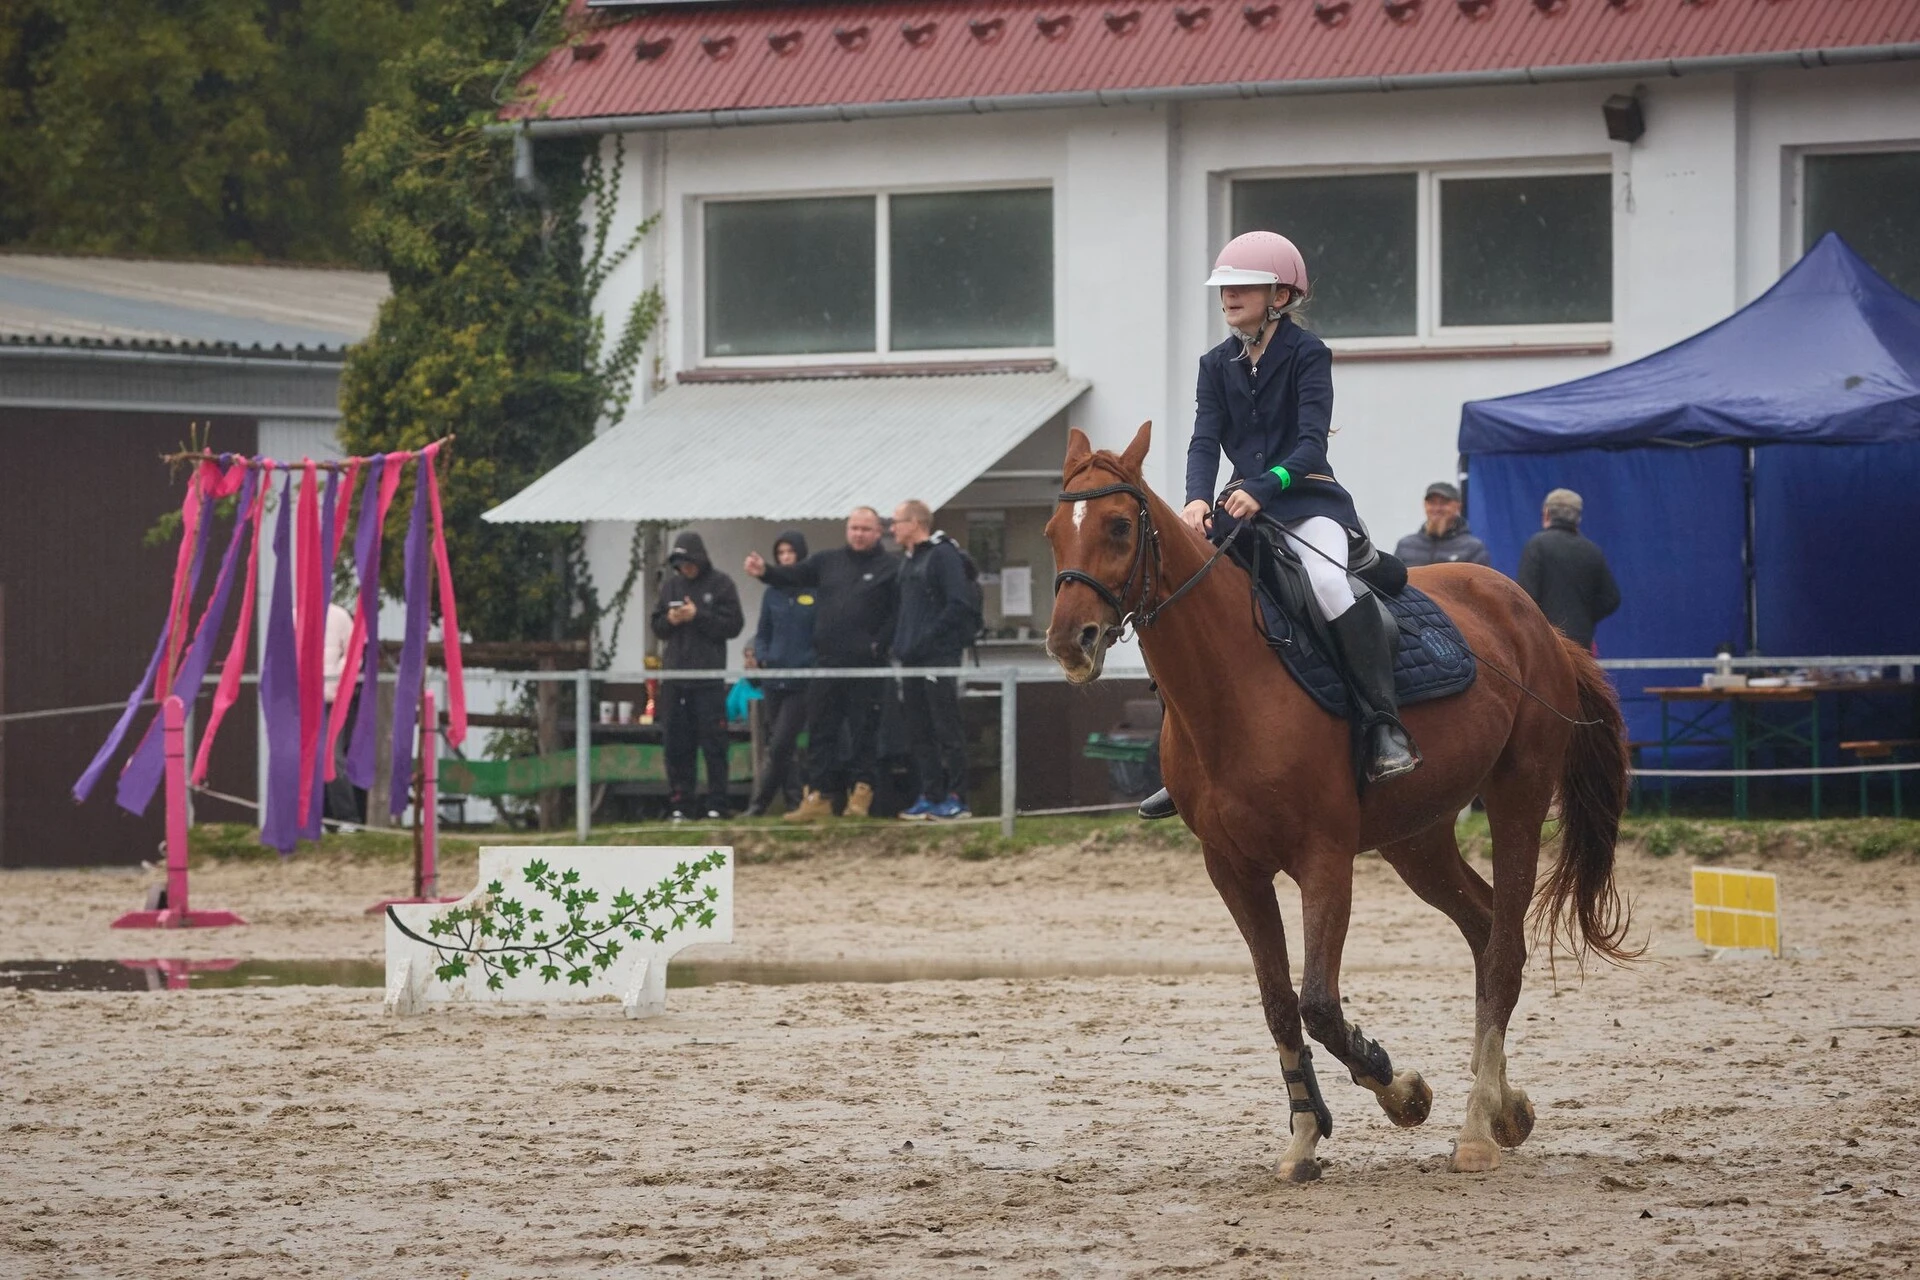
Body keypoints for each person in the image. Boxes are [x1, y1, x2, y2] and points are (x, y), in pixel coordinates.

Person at [1137, 230, 1418, 822]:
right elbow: (1203, 440)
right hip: (1238, 509)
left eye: (1242, 287)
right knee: (1182, 598)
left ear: (1280, 294)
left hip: (1308, 503)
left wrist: (1265, 488)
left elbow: (1311, 446)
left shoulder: (1308, 353)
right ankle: (1180, 756)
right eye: (1224, 289)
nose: (1228, 297)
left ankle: (1384, 727)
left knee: (1329, 583)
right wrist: (1194, 499)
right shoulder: (1214, 365)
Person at [745, 507, 898, 821]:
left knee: (863, 732)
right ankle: (818, 796)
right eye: (854, 527)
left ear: (878, 532)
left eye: (865, 529)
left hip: (867, 666)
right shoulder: (828, 561)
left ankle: (861, 794)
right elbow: (793, 575)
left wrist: (878, 644)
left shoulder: (890, 567)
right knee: (821, 731)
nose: (858, 534)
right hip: (826, 662)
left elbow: (898, 614)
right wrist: (765, 572)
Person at [889, 499, 976, 821]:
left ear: (915, 522)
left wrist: (926, 639)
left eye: (897, 521)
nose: (892, 528)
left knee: (946, 728)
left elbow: (958, 604)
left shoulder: (943, 555)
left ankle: (957, 797)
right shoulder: (908, 562)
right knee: (919, 730)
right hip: (910, 660)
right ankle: (930, 794)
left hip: (938, 658)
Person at [650, 531, 744, 820]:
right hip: (675, 679)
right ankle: (681, 803)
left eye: (689, 562)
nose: (685, 568)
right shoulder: (670, 588)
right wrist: (671, 619)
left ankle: (717, 802)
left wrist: (698, 616)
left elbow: (733, 626)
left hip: (708, 680)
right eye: (680, 563)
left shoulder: (722, 585)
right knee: (677, 745)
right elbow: (657, 626)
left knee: (714, 744)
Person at [742, 531, 816, 817]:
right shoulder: (771, 594)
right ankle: (794, 801)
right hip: (774, 678)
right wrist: (762, 655)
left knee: (781, 742)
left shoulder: (814, 591)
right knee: (782, 745)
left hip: (802, 679)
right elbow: (763, 633)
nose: (785, 558)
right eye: (781, 553)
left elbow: (819, 633)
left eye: (790, 552)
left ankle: (758, 804)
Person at [1518, 488, 1620, 651]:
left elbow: (1525, 597)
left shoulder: (1537, 546)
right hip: (1581, 642)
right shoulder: (1591, 550)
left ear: (1546, 513)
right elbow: (1611, 598)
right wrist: (1585, 617)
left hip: (1547, 640)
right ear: (1578, 518)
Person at [1395, 481, 1490, 568]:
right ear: (1424, 505)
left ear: (1458, 506)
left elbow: (1481, 584)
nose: (1437, 508)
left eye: (1444, 503)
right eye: (1432, 503)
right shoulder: (1405, 545)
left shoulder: (1473, 548)